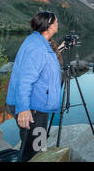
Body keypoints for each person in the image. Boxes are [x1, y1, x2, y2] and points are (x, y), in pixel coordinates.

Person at [5, 11, 64, 162]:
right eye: (56, 21)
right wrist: (24, 109)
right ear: (49, 25)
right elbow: (25, 80)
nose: (58, 24)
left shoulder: (37, 41)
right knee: (34, 151)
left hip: (36, 105)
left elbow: (44, 61)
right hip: (32, 108)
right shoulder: (37, 47)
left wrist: (62, 48)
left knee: (35, 144)